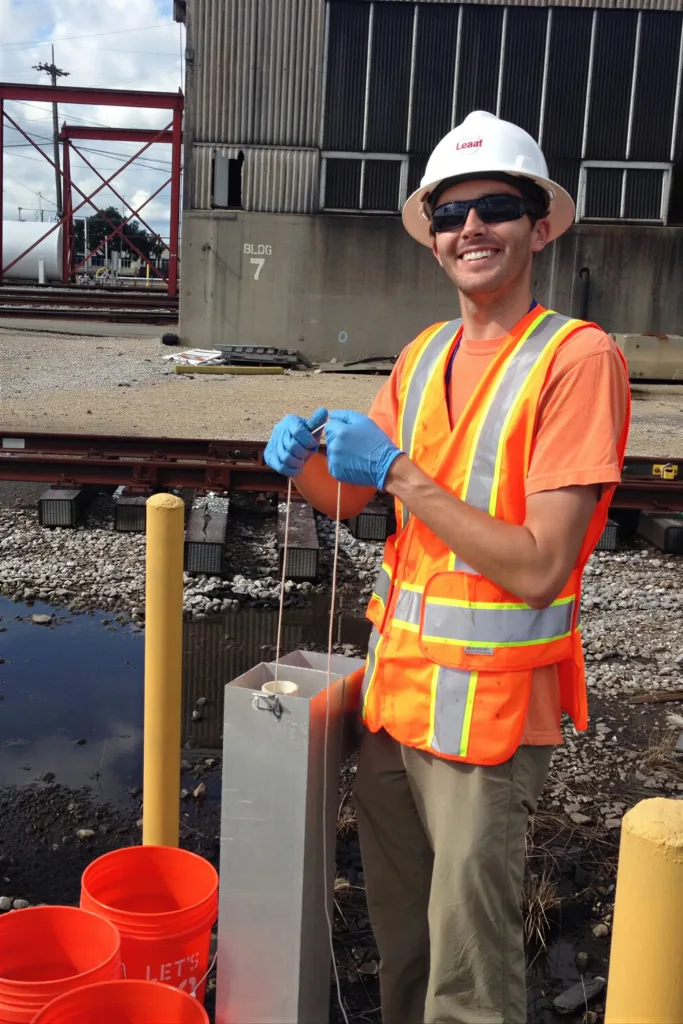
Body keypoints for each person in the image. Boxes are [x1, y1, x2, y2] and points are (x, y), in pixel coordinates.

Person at [264, 110, 631, 1024]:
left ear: (539, 225)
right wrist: (303, 466)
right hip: (395, 706)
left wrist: (391, 469)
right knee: (405, 945)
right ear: (430, 239)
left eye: (495, 207)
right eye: (449, 213)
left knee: (468, 974)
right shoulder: (423, 356)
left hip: (489, 727)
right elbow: (356, 504)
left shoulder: (576, 361)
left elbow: (541, 566)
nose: (470, 228)